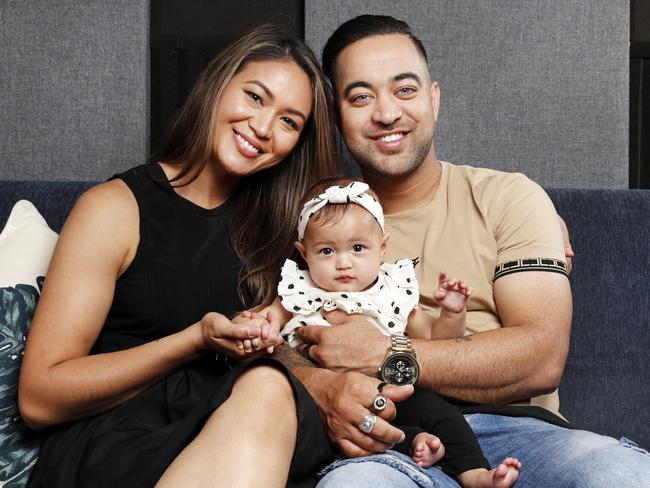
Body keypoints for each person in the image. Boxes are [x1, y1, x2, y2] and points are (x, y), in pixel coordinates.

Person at [273, 14, 650, 487]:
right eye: (361, 96)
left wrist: (386, 354)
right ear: (334, 113)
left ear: (434, 98)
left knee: (623, 474)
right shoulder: (316, 224)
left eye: (405, 90)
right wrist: (322, 383)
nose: (387, 113)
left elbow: (541, 356)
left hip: (521, 435)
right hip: (390, 440)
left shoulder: (509, 197)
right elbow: (274, 341)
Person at [18, 25, 341, 488]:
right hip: (119, 443)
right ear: (218, 85)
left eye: (289, 122)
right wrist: (194, 340)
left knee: (271, 389)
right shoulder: (114, 208)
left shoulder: (294, 233)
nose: (264, 128)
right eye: (255, 97)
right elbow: (39, 398)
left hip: (240, 431)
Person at [272, 177, 522, 487]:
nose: (343, 263)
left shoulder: (392, 290)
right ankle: (418, 444)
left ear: (382, 248)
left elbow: (433, 337)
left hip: (396, 392)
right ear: (303, 252)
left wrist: (452, 313)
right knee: (351, 436)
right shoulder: (299, 289)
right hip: (328, 403)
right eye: (326, 251)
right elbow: (269, 318)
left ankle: (473, 472)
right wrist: (257, 325)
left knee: (439, 412)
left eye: (358, 248)